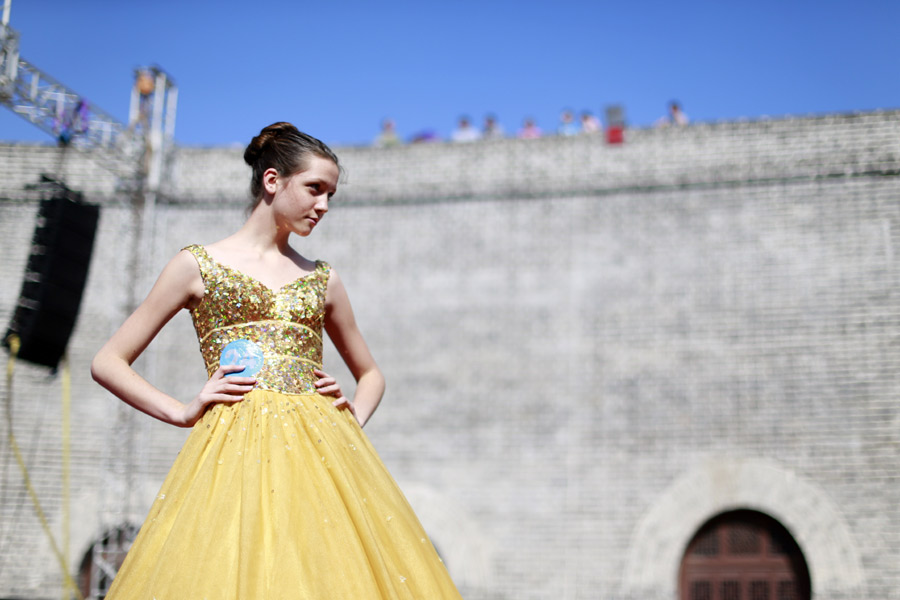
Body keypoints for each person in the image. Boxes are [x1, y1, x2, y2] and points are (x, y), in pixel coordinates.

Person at [91, 122, 462, 599]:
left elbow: (370, 374)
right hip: (230, 456)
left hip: (324, 457)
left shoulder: (322, 279)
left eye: (330, 194)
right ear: (272, 181)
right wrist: (181, 411)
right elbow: (108, 360)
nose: (323, 206)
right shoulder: (196, 265)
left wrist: (352, 416)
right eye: (314, 189)